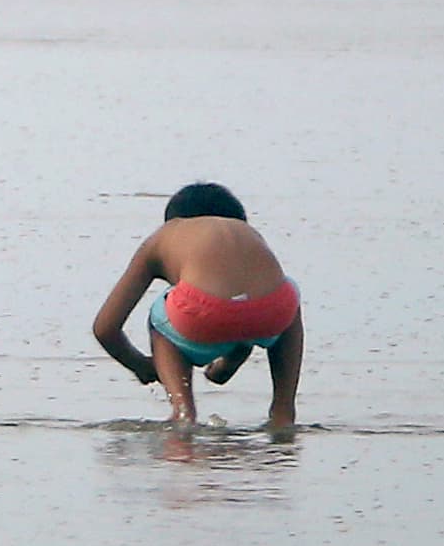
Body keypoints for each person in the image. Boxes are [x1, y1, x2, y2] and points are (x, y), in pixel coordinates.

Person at [92, 183, 303, 430]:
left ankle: (183, 412)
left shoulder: (164, 236)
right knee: (287, 300)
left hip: (207, 314)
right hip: (271, 313)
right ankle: (282, 410)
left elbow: (105, 327)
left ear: (171, 220)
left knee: (160, 315)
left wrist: (142, 366)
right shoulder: (247, 232)